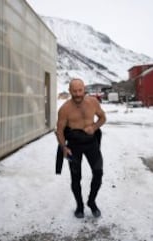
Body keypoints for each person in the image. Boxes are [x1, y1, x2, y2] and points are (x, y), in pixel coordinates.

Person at [56, 78, 106, 218]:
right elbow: (59, 131)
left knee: (98, 173)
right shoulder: (65, 109)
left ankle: (91, 201)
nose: (78, 94)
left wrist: (94, 127)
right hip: (74, 145)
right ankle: (79, 205)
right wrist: (64, 148)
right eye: (74, 91)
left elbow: (103, 118)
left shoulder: (93, 102)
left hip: (91, 143)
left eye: (80, 90)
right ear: (70, 91)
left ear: (84, 89)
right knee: (76, 177)